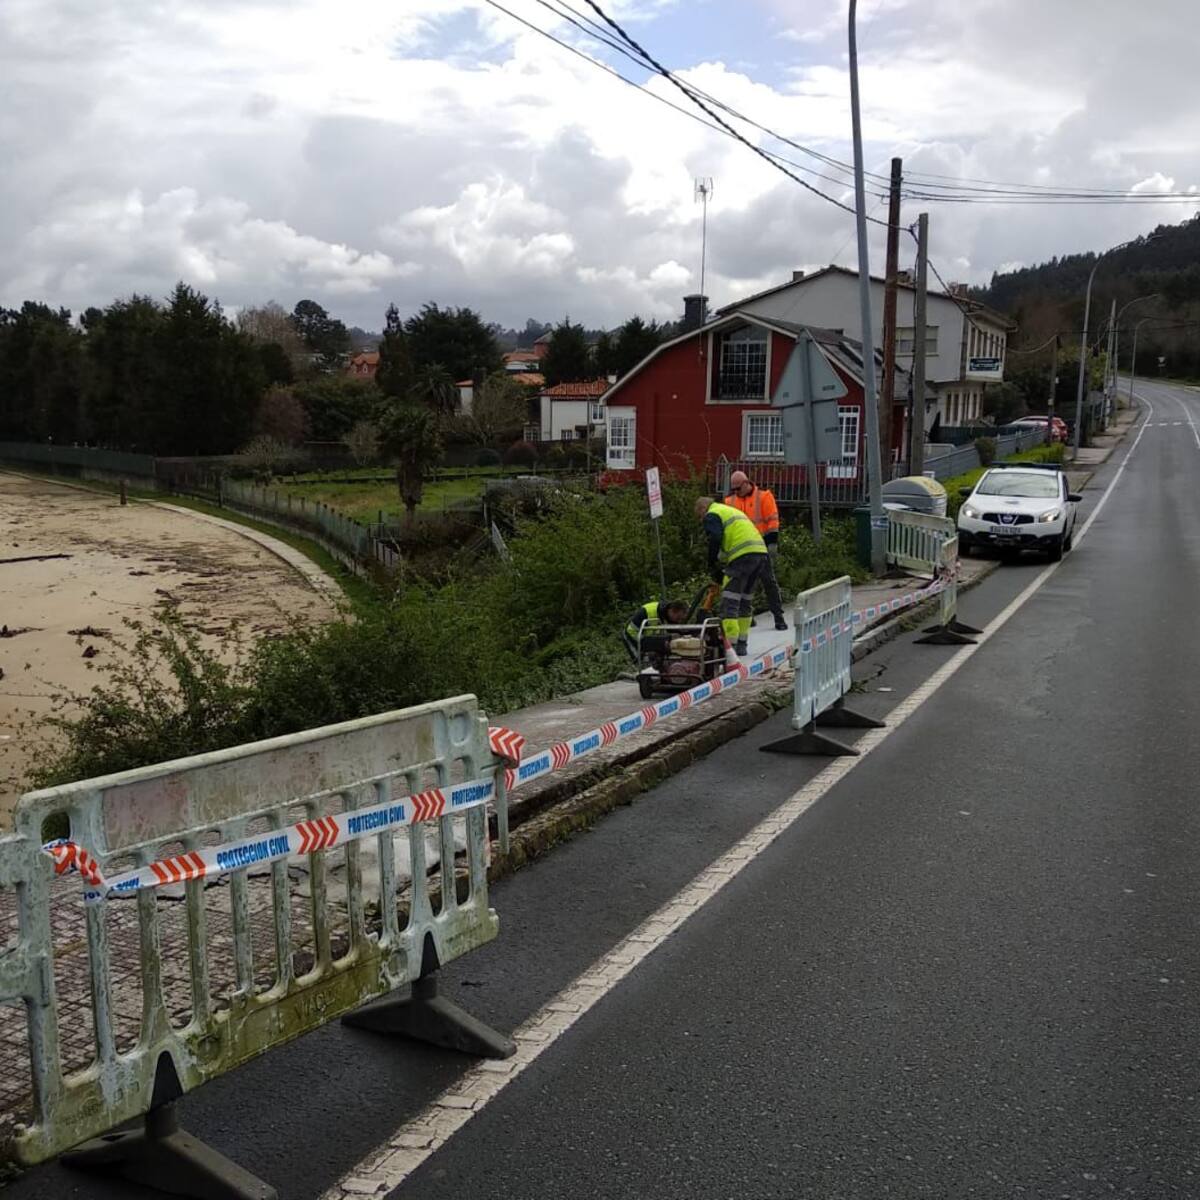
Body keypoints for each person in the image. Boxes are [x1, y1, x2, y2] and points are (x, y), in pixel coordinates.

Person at [694, 496, 768, 659]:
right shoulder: (729, 511)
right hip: (760, 555)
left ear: (702, 509)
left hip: (742, 556)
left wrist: (711, 562)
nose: (701, 520)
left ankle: (730, 649)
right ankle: (742, 644)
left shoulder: (712, 514)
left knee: (730, 601)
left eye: (699, 516)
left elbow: (715, 538)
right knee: (745, 601)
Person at [724, 470, 787, 632]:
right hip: (740, 552)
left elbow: (772, 521)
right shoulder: (729, 502)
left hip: (760, 548)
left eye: (739, 488)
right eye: (734, 489)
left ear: (747, 483)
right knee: (743, 585)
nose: (736, 492)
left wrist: (772, 545)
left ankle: (778, 617)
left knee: (769, 583)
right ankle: (747, 617)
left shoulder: (764, 497)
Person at [622, 598, 688, 662]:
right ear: (672, 611)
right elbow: (631, 631)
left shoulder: (665, 612)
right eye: (678, 618)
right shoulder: (649, 612)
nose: (679, 621)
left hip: (645, 636)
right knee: (664, 643)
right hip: (633, 635)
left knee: (665, 642)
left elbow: (674, 629)